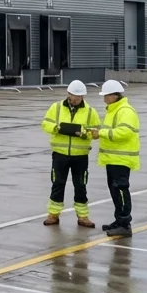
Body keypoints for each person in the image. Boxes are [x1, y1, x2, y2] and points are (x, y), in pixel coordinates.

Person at [40, 80, 101, 226]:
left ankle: (83, 217)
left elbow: (96, 132)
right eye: (74, 96)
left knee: (80, 185)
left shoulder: (90, 111)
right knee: (58, 183)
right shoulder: (56, 108)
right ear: (68, 94)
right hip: (60, 154)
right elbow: (45, 123)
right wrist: (56, 128)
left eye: (79, 97)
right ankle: (53, 215)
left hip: (80, 156)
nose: (76, 99)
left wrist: (84, 134)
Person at [89, 80, 140, 237]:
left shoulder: (125, 111)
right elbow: (110, 130)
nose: (104, 98)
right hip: (112, 159)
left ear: (115, 95)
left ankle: (125, 224)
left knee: (121, 190)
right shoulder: (113, 110)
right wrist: (97, 131)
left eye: (106, 95)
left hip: (121, 160)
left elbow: (124, 132)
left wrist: (101, 133)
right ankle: (119, 220)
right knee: (115, 191)